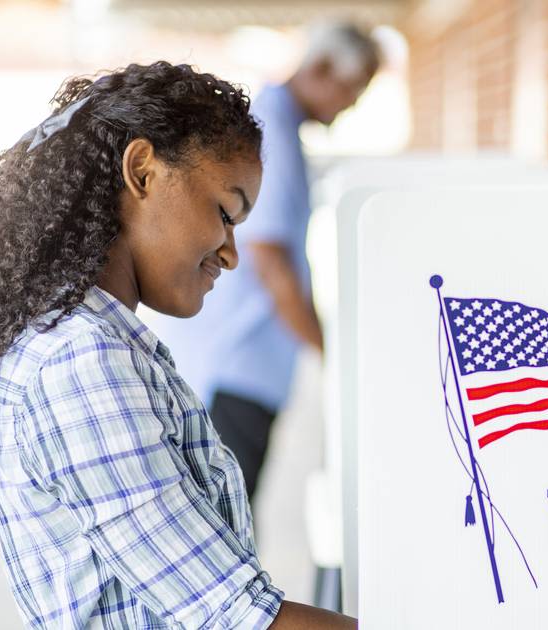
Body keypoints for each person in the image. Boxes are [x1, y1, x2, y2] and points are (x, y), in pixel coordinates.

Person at [0, 62, 354, 629]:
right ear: (142, 172)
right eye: (225, 213)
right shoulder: (81, 360)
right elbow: (237, 619)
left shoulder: (94, 341)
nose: (232, 253)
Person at [155, 23, 380, 514]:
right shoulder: (269, 131)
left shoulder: (283, 126)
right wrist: (332, 354)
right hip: (236, 367)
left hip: (251, 368)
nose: (353, 104)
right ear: (320, 70)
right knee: (223, 532)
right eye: (353, 88)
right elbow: (271, 261)